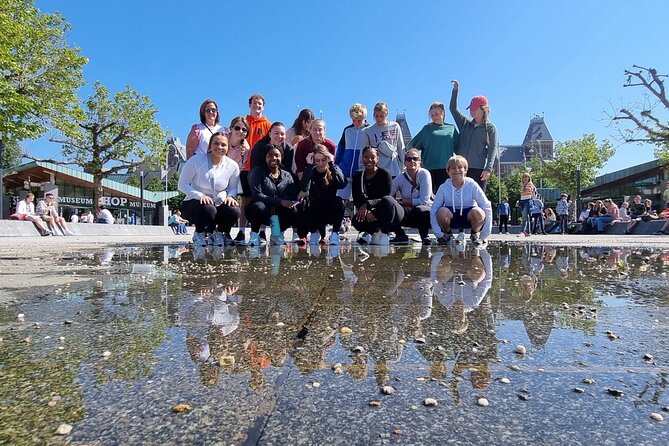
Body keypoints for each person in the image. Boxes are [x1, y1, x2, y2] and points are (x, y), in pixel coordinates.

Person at [178, 132, 241, 247]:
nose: (219, 147)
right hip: (196, 205)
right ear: (210, 145)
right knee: (208, 208)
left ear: (227, 148)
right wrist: (200, 195)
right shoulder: (196, 160)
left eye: (223, 145)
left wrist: (230, 196)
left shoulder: (232, 166)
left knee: (234, 210)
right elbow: (182, 184)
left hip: (218, 203)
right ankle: (200, 233)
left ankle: (220, 232)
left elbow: (233, 188)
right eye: (216, 143)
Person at [246, 146, 302, 247]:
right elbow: (257, 194)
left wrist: (288, 202)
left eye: (277, 155)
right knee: (258, 207)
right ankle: (254, 234)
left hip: (279, 213)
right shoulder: (258, 171)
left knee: (294, 209)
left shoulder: (287, 175)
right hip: (263, 211)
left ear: (281, 157)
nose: (274, 158)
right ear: (265, 157)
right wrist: (279, 201)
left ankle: (276, 234)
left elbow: (292, 194)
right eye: (270, 155)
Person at [430, 155, 492, 246]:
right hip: (451, 218)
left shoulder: (472, 185)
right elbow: (434, 209)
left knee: (479, 212)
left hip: (469, 217)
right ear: (448, 171)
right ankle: (448, 235)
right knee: (441, 211)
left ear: (465, 170)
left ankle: (474, 234)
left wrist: (484, 235)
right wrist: (438, 234)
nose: (457, 170)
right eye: (453, 168)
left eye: (460, 167)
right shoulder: (443, 187)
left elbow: (486, 206)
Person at [449, 80, 498, 191]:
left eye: (474, 108)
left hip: (478, 170)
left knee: (477, 203)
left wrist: (488, 169)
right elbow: (453, 109)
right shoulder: (465, 123)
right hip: (460, 169)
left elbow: (492, 149)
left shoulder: (490, 128)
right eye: (470, 108)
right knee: (459, 199)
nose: (471, 110)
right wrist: (455, 91)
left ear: (483, 109)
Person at [352, 147, 405, 246]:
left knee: (387, 201)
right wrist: (365, 211)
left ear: (378, 158)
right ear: (362, 158)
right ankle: (371, 232)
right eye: (366, 157)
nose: (369, 160)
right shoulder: (358, 177)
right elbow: (357, 199)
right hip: (369, 212)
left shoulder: (385, 174)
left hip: (387, 209)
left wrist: (370, 207)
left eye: (372, 157)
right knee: (356, 220)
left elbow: (386, 196)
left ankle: (385, 234)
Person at [298, 145, 347, 245]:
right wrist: (309, 166)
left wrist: (332, 164)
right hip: (316, 209)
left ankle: (335, 233)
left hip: (330, 209)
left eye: (323, 160)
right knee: (305, 202)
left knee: (339, 201)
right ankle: (314, 232)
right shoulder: (311, 171)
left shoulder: (334, 169)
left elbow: (342, 184)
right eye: (317, 160)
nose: (320, 163)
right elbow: (303, 187)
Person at [405, 102, 458, 192]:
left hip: (446, 169)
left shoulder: (451, 128)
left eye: (436, 114)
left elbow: (459, 148)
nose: (434, 117)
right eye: (432, 115)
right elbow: (411, 146)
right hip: (429, 169)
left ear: (443, 113)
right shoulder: (426, 129)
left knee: (445, 196)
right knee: (428, 198)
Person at [390, 149, 433, 245]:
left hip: (426, 214)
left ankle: (424, 236)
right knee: (389, 208)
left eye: (415, 158)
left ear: (419, 161)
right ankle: (400, 235)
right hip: (408, 212)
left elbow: (424, 201)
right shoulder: (400, 178)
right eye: (409, 159)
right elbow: (388, 195)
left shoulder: (424, 174)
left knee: (421, 209)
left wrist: (403, 202)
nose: (412, 161)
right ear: (405, 162)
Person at [359, 102, 405, 178]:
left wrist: (403, 165)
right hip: (377, 169)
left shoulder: (395, 126)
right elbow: (363, 151)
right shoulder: (368, 131)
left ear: (386, 114)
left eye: (382, 116)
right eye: (377, 116)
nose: (379, 118)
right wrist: (362, 168)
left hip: (394, 168)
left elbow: (400, 147)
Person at [244, 93, 272, 164]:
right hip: (243, 165)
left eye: (259, 103)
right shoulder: (242, 123)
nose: (257, 105)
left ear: (263, 107)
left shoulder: (269, 126)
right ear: (249, 105)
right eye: (254, 103)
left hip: (260, 165)